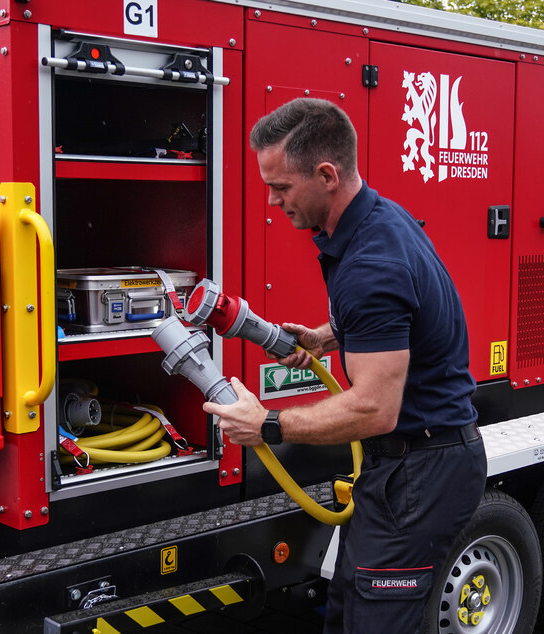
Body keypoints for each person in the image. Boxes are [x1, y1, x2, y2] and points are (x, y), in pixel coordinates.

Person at [203, 98, 487, 633]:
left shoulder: (370, 263)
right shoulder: (376, 220)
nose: (271, 200)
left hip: (421, 472)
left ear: (327, 175)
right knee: (347, 613)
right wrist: (329, 336)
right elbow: (408, 318)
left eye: (282, 187)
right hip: (403, 467)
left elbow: (375, 410)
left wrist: (266, 424)